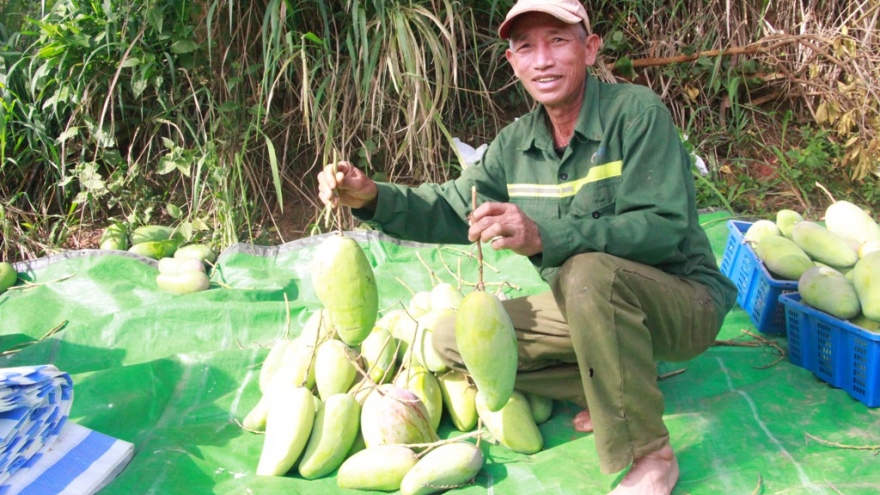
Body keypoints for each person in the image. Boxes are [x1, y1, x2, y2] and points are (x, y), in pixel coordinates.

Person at [317, 0, 737, 493]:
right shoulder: (516, 145)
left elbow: (664, 227)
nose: (543, 60)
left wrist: (545, 236)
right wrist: (372, 196)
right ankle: (617, 393)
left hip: (682, 303)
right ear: (512, 63)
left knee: (583, 271)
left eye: (558, 41)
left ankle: (651, 455)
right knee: (452, 340)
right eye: (526, 47)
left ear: (590, 48)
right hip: (591, 308)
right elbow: (453, 206)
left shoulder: (636, 114)